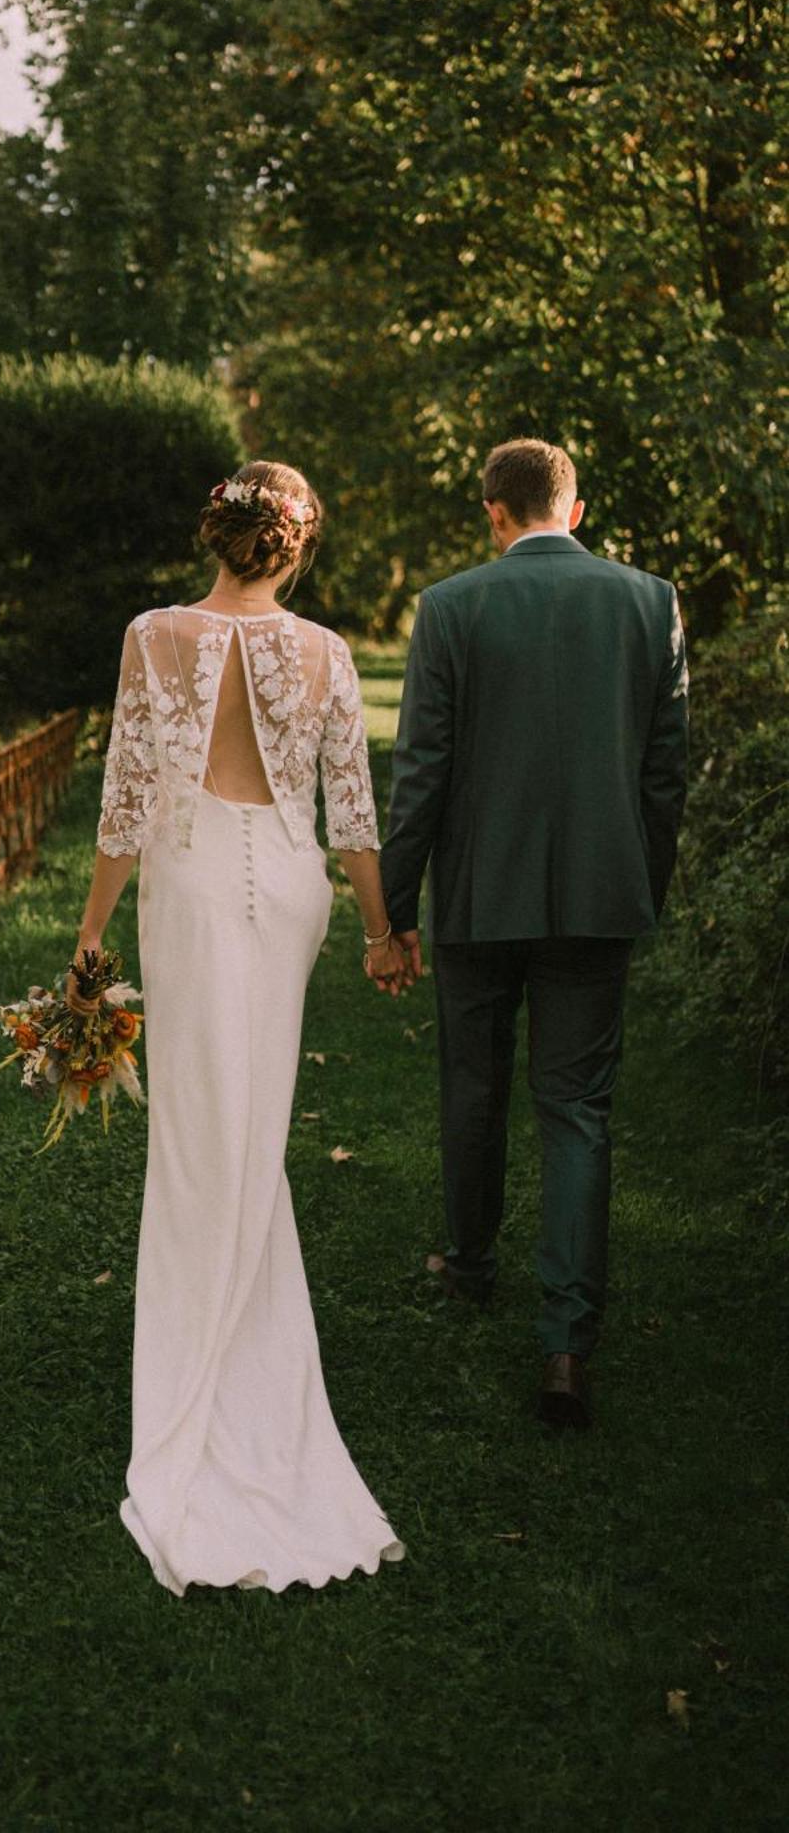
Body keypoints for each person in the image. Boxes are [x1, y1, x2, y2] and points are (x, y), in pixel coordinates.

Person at [73, 459, 407, 1597]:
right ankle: (250, 1348)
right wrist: (379, 929)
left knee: (196, 1137)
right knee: (253, 1126)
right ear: (296, 546)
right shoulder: (323, 653)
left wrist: (89, 936)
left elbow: (127, 792)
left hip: (196, 881)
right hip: (292, 888)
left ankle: (207, 1364)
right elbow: (351, 804)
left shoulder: (153, 634)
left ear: (212, 532)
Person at [381, 437, 689, 1429]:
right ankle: (565, 1340)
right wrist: (642, 881)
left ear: (492, 510)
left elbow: (420, 769)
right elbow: (663, 772)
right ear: (577, 507)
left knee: (474, 1083)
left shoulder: (452, 605)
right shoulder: (650, 601)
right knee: (579, 1106)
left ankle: (471, 1262)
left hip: (479, 895)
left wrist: (391, 908)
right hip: (601, 895)